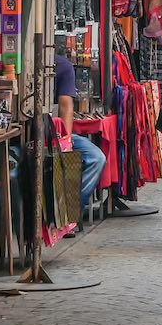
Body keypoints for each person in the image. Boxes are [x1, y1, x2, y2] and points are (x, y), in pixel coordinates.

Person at [53, 50, 108, 212]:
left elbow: (66, 106)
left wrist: (66, 141)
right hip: (28, 135)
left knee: (96, 158)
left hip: (55, 132)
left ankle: (69, 210)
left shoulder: (62, 65)